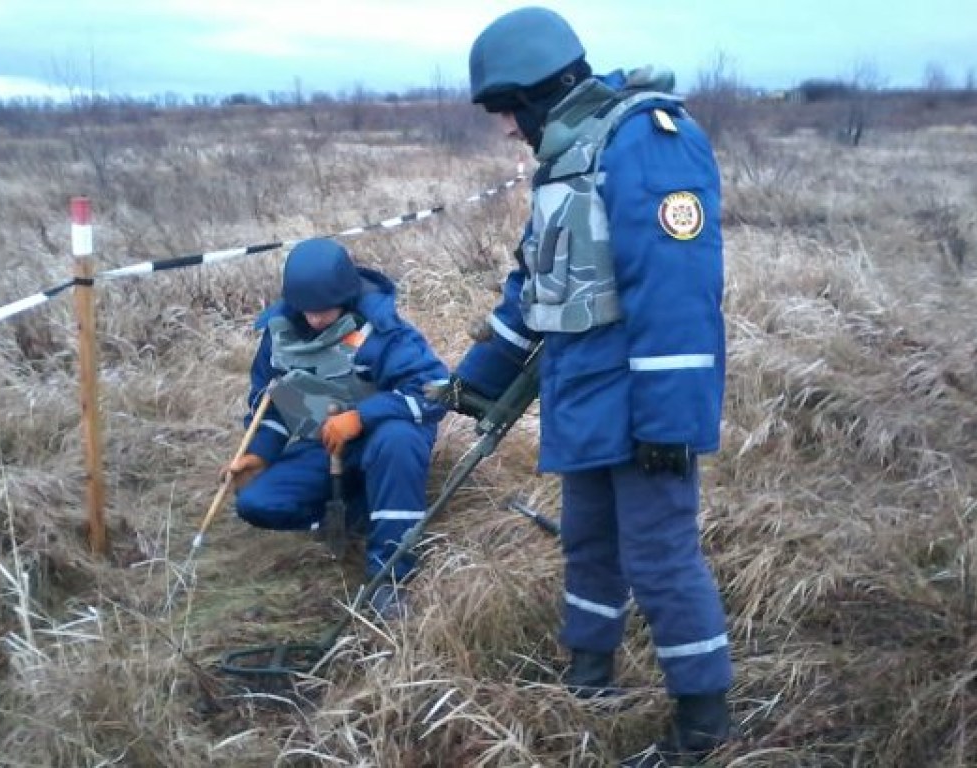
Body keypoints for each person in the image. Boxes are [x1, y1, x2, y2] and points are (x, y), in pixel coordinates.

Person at [447, 7, 733, 766]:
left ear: (542, 91)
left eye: (509, 108)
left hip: (643, 408)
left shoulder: (648, 144)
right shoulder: (573, 156)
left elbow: (677, 295)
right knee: (589, 545)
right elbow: (535, 281)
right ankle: (587, 674)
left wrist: (669, 426)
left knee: (661, 557)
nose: (508, 127)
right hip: (584, 400)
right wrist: (476, 382)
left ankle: (702, 721)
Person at [221, 237, 448, 616]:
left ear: (345, 295)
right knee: (256, 503)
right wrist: (259, 454)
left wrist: (362, 416)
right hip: (325, 446)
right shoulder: (280, 337)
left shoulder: (382, 331)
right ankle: (361, 510)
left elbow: (434, 392)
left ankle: (390, 579)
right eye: (306, 310)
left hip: (385, 440)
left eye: (324, 311)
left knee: (397, 441)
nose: (314, 320)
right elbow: (272, 406)